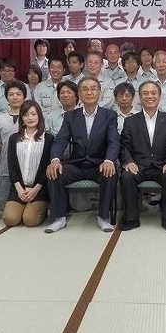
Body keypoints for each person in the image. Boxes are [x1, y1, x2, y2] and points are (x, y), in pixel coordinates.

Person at [45, 77, 119, 233]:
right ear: (79, 93)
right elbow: (60, 140)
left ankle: (103, 217)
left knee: (110, 173)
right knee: (54, 172)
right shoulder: (71, 116)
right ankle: (60, 218)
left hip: (99, 164)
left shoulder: (109, 116)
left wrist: (109, 160)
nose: (89, 92)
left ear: (100, 93)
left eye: (93, 89)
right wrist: (55, 159)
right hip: (77, 164)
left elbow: (114, 142)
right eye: (85, 89)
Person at [119, 81, 166, 232]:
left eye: (153, 93)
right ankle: (132, 218)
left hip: (162, 166)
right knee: (126, 177)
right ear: (139, 98)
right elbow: (123, 146)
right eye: (145, 93)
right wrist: (128, 161)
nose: (150, 96)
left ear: (159, 96)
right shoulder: (130, 121)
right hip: (139, 166)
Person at [3, 101, 54, 227]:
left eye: (33, 114)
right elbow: (12, 166)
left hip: (39, 190)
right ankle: (22, 206)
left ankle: (38, 207)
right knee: (10, 219)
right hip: (18, 189)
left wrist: (36, 189)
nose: (30, 118)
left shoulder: (48, 139)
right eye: (26, 115)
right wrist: (19, 189)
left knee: (30, 220)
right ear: (21, 118)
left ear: (39, 116)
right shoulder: (14, 138)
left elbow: (46, 169)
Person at [0, 80, 27, 211]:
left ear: (24, 96)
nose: (15, 97)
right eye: (11, 94)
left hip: (27, 168)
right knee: (2, 205)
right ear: (6, 97)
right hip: (5, 168)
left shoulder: (31, 118)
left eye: (18, 94)